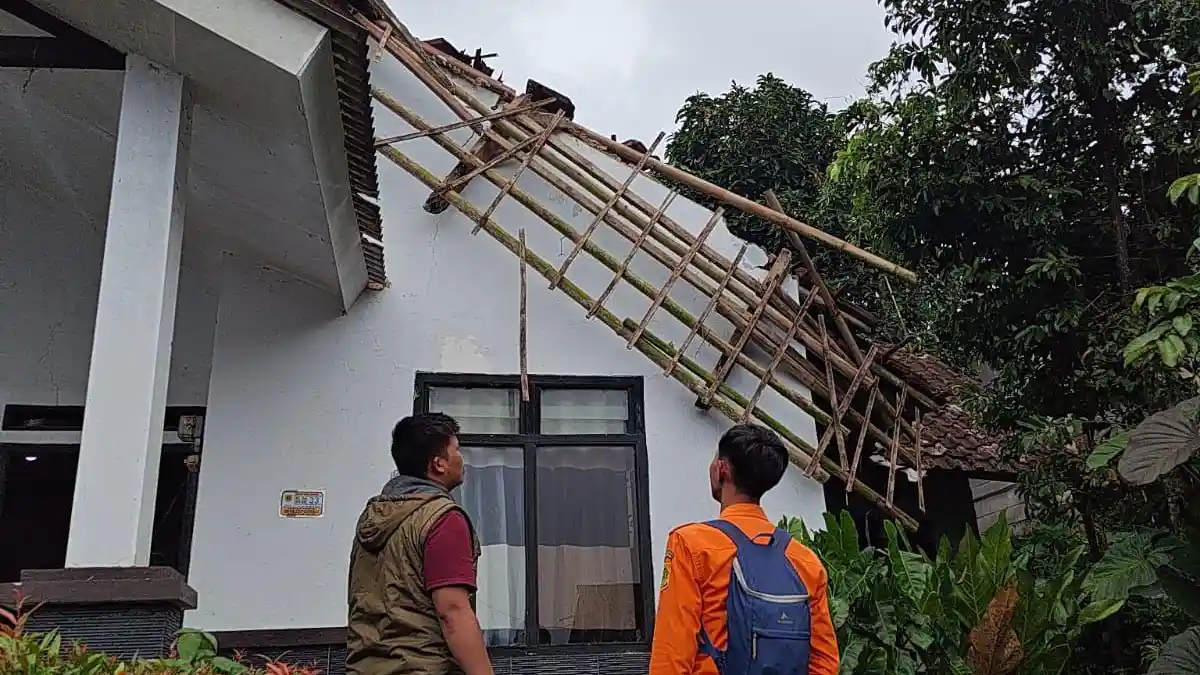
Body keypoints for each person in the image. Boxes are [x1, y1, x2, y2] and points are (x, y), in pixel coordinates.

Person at [649, 424, 839, 675]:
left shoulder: (691, 544)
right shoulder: (805, 561)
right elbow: (824, 661)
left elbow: (672, 654)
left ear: (721, 469)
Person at [347, 413, 494, 675]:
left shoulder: (372, 516)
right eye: (456, 450)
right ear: (439, 464)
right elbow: (452, 613)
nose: (462, 458)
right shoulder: (443, 518)